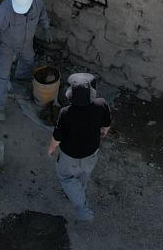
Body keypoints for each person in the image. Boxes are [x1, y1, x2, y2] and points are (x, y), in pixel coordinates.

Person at [48, 82, 111, 222]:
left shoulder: (66, 112)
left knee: (65, 177)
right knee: (84, 174)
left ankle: (82, 208)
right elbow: (106, 126)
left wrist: (51, 149)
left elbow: (57, 137)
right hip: (91, 153)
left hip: (70, 155)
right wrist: (103, 131)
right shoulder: (101, 104)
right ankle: (76, 193)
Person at [0, 0, 44, 121]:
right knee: (2, 76)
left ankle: (20, 81)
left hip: (26, 43)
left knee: (28, 60)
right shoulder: (5, 11)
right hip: (6, 46)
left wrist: (46, 27)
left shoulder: (38, 2)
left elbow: (43, 15)